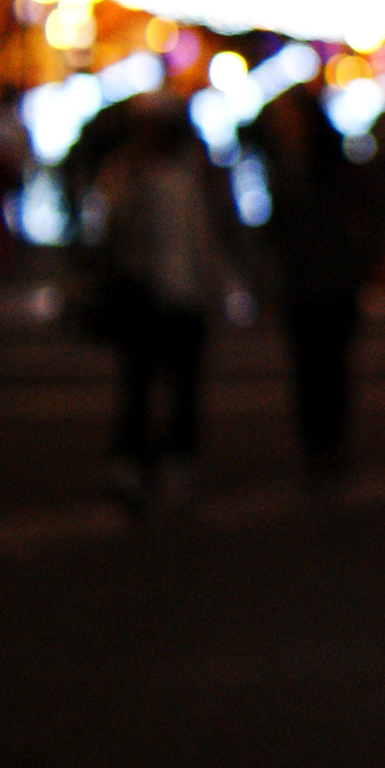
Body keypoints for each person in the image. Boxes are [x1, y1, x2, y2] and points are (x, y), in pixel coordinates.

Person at [86, 92, 236, 516]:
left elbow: (221, 227)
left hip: (188, 291)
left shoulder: (200, 171)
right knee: (137, 383)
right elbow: (104, 227)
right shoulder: (125, 170)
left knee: (185, 384)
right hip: (140, 291)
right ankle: (132, 464)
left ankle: (178, 460)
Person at [255, 86, 385, 488]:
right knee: (308, 367)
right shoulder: (283, 165)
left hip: (333, 280)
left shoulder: (333, 166)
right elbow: (275, 230)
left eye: (288, 117)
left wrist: (367, 262)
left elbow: (369, 216)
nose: (283, 124)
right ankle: (317, 443)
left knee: (331, 365)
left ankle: (330, 442)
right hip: (301, 282)